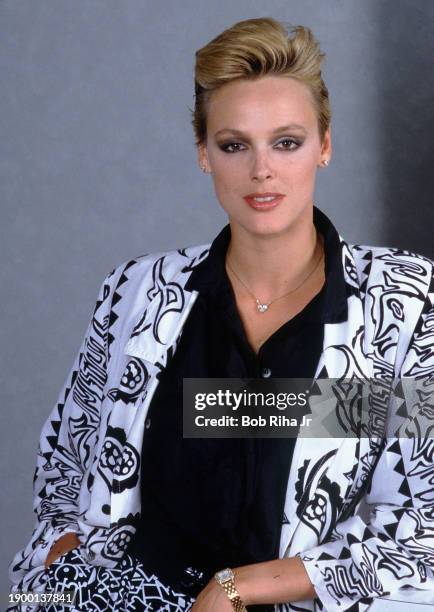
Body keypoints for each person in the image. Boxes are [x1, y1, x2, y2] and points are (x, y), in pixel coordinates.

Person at [8, 16, 434, 612]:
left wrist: (239, 589)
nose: (261, 169)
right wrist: (66, 563)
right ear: (204, 153)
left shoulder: (401, 302)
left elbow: (423, 520)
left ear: (325, 145)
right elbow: (64, 470)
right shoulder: (139, 293)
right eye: (234, 145)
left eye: (286, 142)